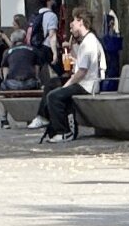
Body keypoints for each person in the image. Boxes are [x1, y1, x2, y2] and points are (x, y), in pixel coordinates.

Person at [37, 10, 106, 142]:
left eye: (73, 22)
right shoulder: (86, 42)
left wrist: (67, 85)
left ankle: (63, 131)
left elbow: (82, 72)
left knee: (54, 96)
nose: (71, 25)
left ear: (80, 22)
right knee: (52, 84)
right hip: (84, 82)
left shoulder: (89, 43)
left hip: (87, 85)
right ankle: (44, 118)